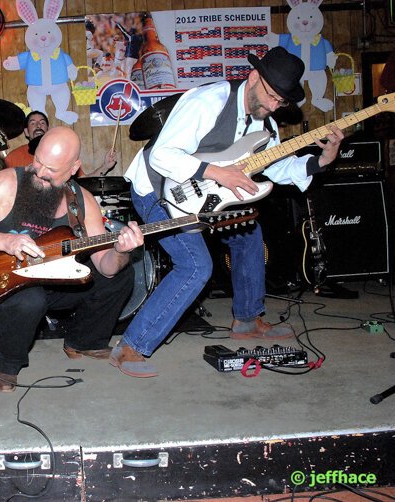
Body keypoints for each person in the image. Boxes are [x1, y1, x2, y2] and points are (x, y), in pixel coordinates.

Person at [117, 47, 344, 378]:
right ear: (253, 77)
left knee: (249, 235)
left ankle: (247, 320)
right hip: (155, 187)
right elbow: (161, 156)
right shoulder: (209, 102)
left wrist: (323, 160)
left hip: (211, 195)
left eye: (280, 102)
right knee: (195, 266)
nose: (272, 106)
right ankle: (130, 347)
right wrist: (219, 173)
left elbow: (278, 168)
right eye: (270, 96)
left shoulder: (266, 123)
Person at [0, 127, 142, 392]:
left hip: (51, 280)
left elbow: (106, 266)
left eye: (52, 170)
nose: (39, 172)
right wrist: (6, 241)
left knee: (121, 273)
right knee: (30, 299)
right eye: (38, 161)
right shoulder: (6, 183)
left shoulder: (82, 202)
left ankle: (83, 340)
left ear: (74, 168)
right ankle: (6, 365)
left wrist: (121, 250)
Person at [2, 110, 118, 176]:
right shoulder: (13, 157)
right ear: (26, 132)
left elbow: (84, 183)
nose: (38, 126)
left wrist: (105, 167)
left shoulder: (63, 153)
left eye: (42, 123)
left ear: (48, 129)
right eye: (33, 123)